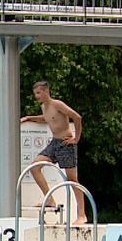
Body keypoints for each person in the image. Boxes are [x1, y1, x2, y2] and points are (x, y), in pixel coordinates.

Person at [20, 80, 87, 224]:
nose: (36, 96)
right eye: (35, 94)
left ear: (45, 91)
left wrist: (76, 138)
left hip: (66, 142)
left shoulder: (58, 104)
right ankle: (49, 199)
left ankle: (82, 214)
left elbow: (77, 117)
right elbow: (46, 119)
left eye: (38, 93)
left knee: (72, 180)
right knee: (35, 167)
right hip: (54, 143)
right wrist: (29, 118)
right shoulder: (44, 107)